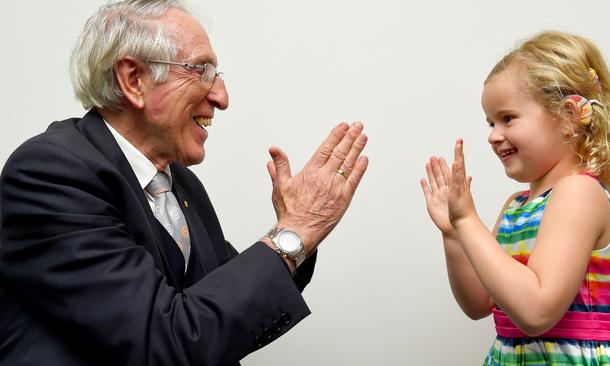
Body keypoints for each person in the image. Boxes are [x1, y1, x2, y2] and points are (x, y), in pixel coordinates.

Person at [0, 1, 368, 365]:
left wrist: (297, 233)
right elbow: (163, 341)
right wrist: (296, 230)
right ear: (133, 80)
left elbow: (220, 315)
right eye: (202, 71)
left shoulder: (182, 185)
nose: (222, 97)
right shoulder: (50, 173)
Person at [420, 31, 610, 365]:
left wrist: (468, 221)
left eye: (507, 118)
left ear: (568, 117)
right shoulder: (516, 206)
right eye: (490, 123)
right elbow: (478, 303)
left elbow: (536, 311)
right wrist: (454, 234)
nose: (494, 136)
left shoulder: (579, 192)